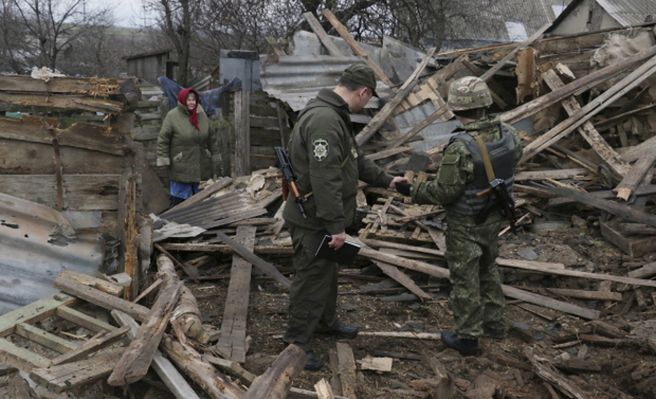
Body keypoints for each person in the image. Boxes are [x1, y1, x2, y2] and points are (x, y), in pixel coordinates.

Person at [282, 63, 407, 370]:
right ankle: (296, 344)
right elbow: (325, 178)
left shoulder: (333, 115)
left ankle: (326, 323)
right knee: (311, 279)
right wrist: (336, 226)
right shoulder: (325, 120)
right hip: (313, 219)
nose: (368, 104)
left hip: (320, 218)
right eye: (369, 98)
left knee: (326, 275)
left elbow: (354, 161)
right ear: (363, 92)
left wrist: (387, 180)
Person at [397, 76, 523, 356]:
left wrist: (411, 189)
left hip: (466, 223)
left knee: (465, 278)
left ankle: (468, 338)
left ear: (456, 107)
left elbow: (444, 192)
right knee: (489, 268)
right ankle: (496, 325)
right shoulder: (509, 133)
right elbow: (514, 163)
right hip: (495, 216)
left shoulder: (460, 147)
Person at [156, 88, 221, 205]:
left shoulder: (201, 114)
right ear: (182, 101)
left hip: (200, 162)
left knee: (199, 198)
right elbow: (163, 139)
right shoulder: (172, 116)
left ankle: (198, 221)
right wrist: (163, 158)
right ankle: (176, 220)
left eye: (194, 100)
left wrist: (215, 154)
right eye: (188, 100)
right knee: (180, 199)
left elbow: (212, 137)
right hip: (181, 162)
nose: (191, 102)